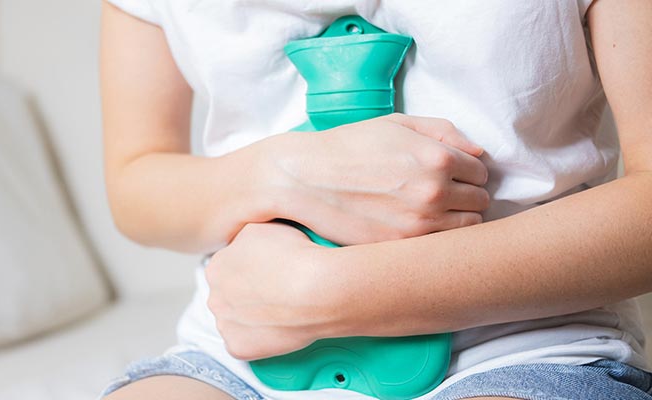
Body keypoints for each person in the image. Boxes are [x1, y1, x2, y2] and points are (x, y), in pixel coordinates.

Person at [98, 0, 652, 398]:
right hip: (234, 358)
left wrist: (322, 291)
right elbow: (135, 181)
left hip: (525, 350)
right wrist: (280, 173)